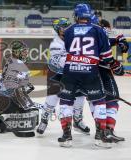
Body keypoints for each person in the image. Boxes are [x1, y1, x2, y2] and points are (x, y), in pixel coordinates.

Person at [58, 3, 124, 148]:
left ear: (76, 16)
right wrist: (115, 65)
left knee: (66, 102)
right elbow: (106, 56)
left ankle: (66, 136)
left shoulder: (68, 31)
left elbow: (66, 53)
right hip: (90, 72)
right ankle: (100, 137)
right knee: (99, 101)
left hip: (70, 71)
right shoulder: (98, 30)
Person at [36, 18, 90, 135]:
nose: (66, 28)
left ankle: (77, 120)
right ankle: (44, 121)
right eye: (63, 27)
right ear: (57, 29)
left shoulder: (74, 38)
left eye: (67, 26)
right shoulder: (55, 44)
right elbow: (62, 62)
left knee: (80, 96)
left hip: (73, 72)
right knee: (52, 98)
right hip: (56, 73)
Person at [0, 40, 39, 137]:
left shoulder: (12, 61)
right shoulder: (18, 64)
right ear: (17, 52)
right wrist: (26, 103)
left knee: (28, 111)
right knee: (26, 112)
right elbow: (13, 86)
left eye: (26, 52)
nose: (26, 54)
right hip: (5, 100)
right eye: (23, 52)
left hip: (3, 99)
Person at [91, 15, 127, 142]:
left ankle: (99, 131)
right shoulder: (103, 31)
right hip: (102, 70)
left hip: (85, 72)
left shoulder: (80, 32)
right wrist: (115, 64)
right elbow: (119, 37)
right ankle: (108, 131)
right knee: (112, 100)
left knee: (95, 101)